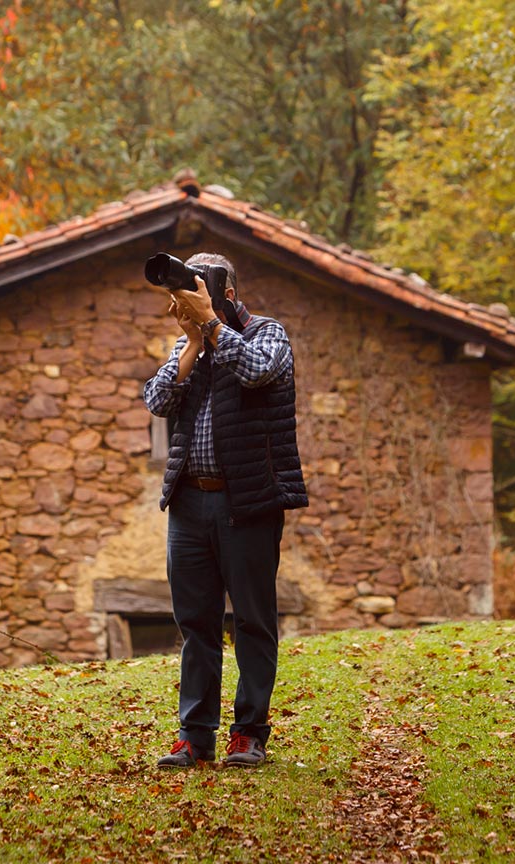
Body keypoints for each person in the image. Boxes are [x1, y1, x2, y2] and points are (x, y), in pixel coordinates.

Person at [141, 252, 308, 769]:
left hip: (249, 502)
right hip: (189, 502)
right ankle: (195, 737)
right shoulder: (187, 342)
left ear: (227, 294)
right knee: (196, 624)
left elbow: (257, 372)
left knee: (254, 621)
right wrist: (193, 342)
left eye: (199, 290)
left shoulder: (268, 334)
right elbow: (157, 400)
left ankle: (250, 734)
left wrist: (212, 325)